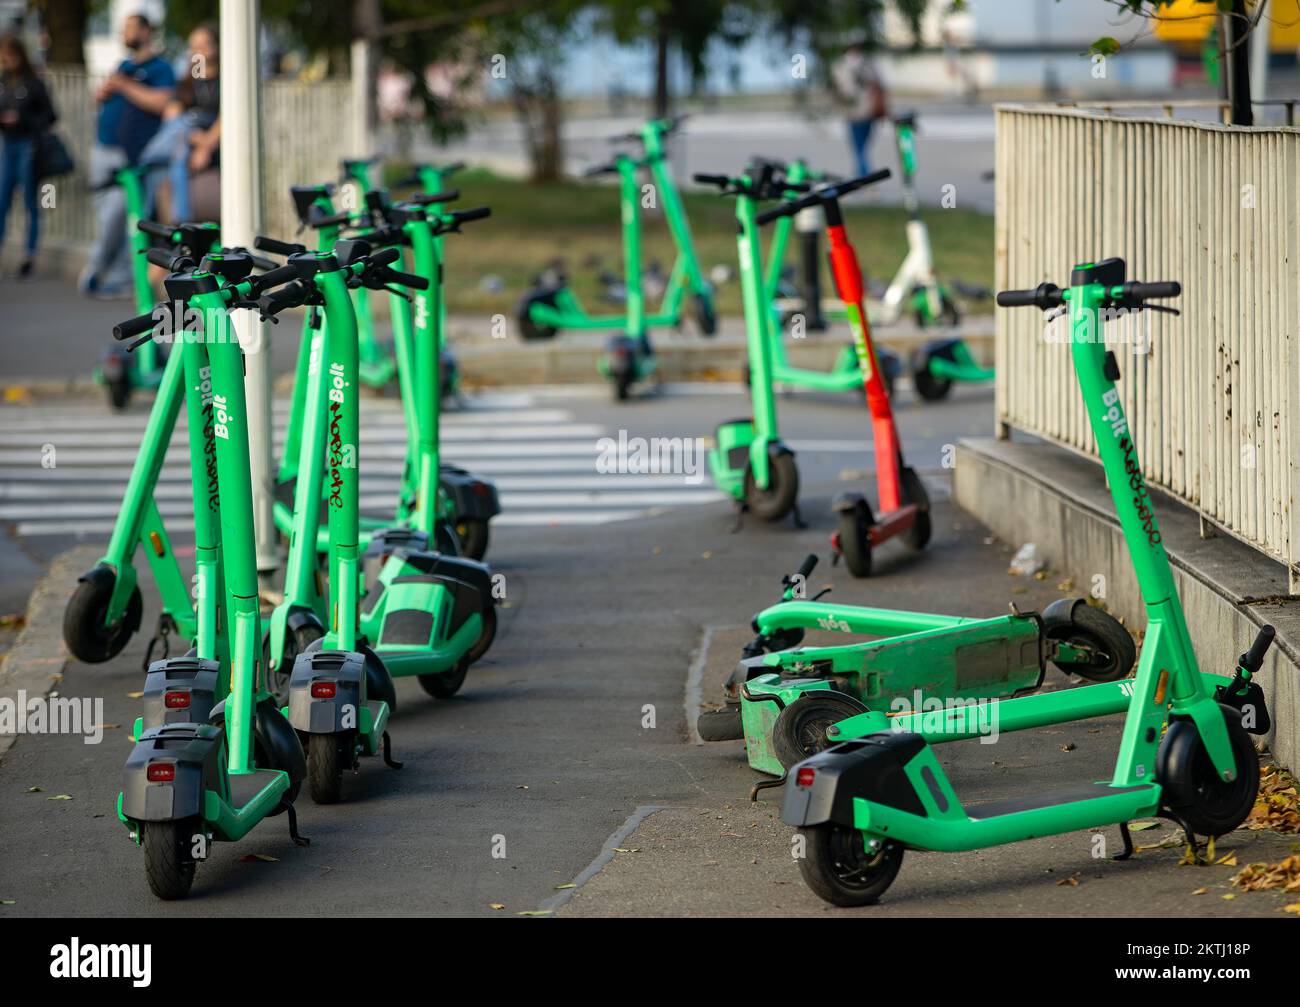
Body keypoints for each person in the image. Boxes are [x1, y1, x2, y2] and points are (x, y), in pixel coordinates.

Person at [81, 13, 175, 298]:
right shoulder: (122, 65)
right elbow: (104, 96)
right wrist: (104, 92)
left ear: (146, 31)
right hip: (104, 148)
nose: (124, 34)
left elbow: (163, 102)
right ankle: (114, 273)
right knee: (107, 214)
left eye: (130, 29)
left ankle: (103, 272)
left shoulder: (160, 68)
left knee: (124, 217)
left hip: (132, 157)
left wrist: (124, 86)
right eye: (122, 29)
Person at [141, 22, 219, 223]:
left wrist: (204, 145)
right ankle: (155, 221)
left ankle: (179, 219)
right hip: (185, 138)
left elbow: (223, 120)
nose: (198, 51)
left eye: (204, 45)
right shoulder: (189, 81)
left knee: (176, 150)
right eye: (194, 46)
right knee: (178, 137)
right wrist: (191, 136)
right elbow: (172, 116)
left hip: (204, 142)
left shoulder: (224, 81)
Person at [0, 33, 56, 279]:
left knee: (32, 203)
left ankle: (29, 255)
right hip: (8, 144)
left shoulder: (33, 82)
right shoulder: (2, 81)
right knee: (2, 202)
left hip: (28, 146)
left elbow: (51, 116)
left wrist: (22, 119)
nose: (6, 60)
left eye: (9, 55)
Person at [831, 40, 887, 179]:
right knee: (863, 146)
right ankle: (862, 175)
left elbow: (840, 91)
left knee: (858, 147)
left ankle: (864, 176)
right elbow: (880, 84)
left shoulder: (840, 66)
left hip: (851, 113)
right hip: (869, 110)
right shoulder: (869, 64)